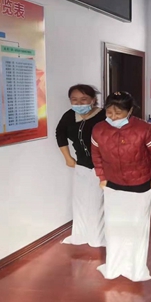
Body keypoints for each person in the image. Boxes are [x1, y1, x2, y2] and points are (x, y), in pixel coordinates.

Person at [91, 91, 151, 282]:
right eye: (109, 113)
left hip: (141, 184)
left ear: (130, 111)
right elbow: (96, 155)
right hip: (112, 184)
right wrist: (102, 176)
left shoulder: (145, 129)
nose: (113, 117)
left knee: (136, 227)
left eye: (118, 113)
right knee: (114, 226)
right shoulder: (99, 129)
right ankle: (115, 265)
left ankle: (135, 267)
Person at [56, 84, 107, 248]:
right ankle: (81, 234)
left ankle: (98, 237)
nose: (79, 103)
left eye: (84, 99)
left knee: (98, 203)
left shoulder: (104, 115)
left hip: (103, 167)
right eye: (74, 100)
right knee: (80, 202)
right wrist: (67, 157)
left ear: (93, 100)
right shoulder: (69, 116)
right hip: (82, 165)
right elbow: (60, 134)